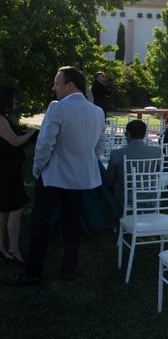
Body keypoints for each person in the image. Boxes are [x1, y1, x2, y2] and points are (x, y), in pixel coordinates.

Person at [6, 67, 105, 286]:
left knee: (40, 224)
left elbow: (45, 143)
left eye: (57, 83)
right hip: (80, 179)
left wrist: (38, 168)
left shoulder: (58, 107)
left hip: (55, 177)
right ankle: (69, 269)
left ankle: (33, 272)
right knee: (72, 223)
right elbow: (100, 146)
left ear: (70, 85)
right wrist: (85, 161)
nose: (54, 88)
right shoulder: (97, 111)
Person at [0, 84, 37, 264]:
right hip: (7, 173)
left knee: (4, 210)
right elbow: (14, 141)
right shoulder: (0, 119)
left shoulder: (4, 118)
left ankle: (1, 247)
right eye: (14, 98)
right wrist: (29, 133)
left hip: (7, 170)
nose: (16, 101)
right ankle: (13, 249)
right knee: (16, 207)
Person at [104, 120, 161, 214]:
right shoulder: (157, 152)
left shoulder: (117, 154)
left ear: (127, 134)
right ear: (144, 135)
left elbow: (109, 178)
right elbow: (158, 173)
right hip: (150, 196)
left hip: (125, 198)